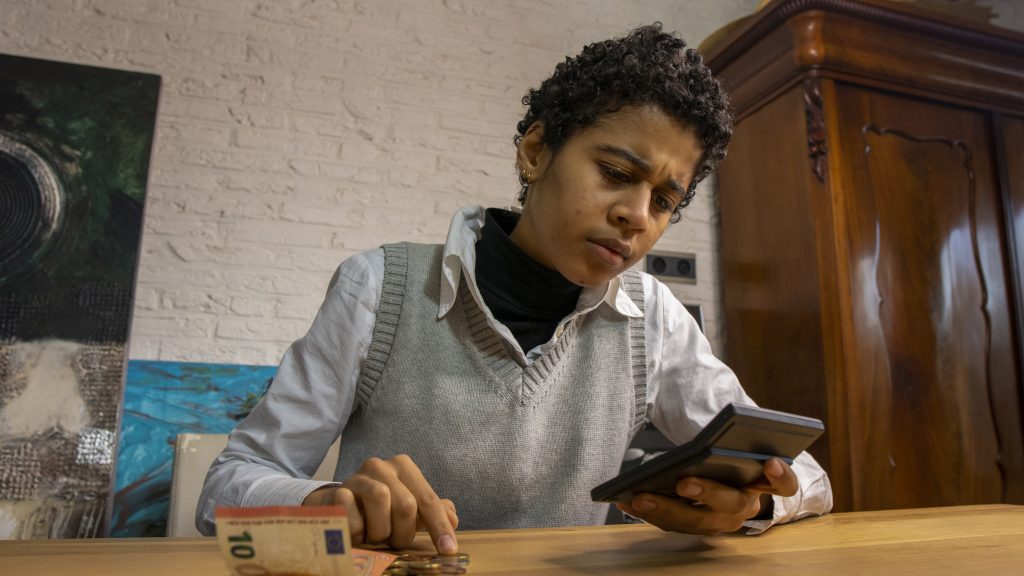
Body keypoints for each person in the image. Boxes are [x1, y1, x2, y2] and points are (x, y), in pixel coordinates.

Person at [196, 22, 832, 554]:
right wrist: (324, 502)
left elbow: (805, 476)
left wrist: (748, 508)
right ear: (535, 151)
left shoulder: (653, 317)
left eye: (664, 200)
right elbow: (227, 485)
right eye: (615, 172)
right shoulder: (379, 288)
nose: (638, 216)